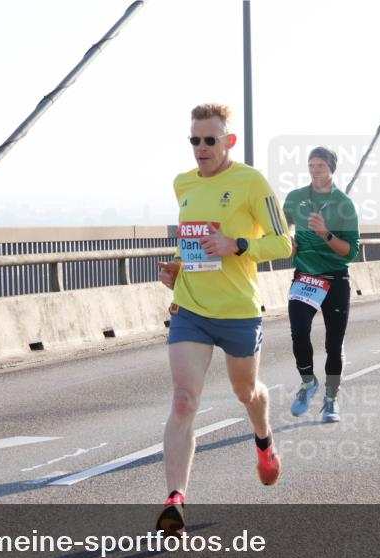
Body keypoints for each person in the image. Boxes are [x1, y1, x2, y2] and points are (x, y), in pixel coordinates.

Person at [155, 103, 293, 536]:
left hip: (238, 311)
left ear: (228, 141)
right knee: (183, 401)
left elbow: (284, 242)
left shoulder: (251, 182)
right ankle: (175, 501)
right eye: (194, 140)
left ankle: (264, 439)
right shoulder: (183, 185)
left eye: (209, 140)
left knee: (245, 391)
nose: (200, 148)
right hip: (191, 309)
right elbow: (193, 245)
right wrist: (177, 266)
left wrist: (237, 245)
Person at [283, 147, 361, 422]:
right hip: (305, 277)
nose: (315, 171)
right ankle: (307, 382)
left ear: (331, 169)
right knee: (299, 332)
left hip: (335, 279)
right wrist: (288, 241)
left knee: (333, 343)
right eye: (311, 165)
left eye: (320, 166)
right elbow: (280, 227)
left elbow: (351, 252)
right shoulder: (296, 198)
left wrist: (324, 233)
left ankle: (331, 400)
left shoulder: (344, 204)